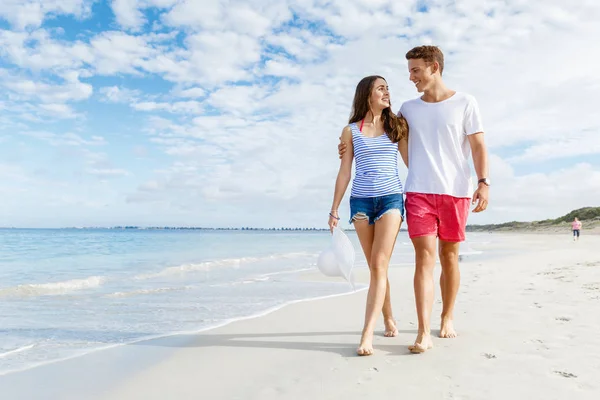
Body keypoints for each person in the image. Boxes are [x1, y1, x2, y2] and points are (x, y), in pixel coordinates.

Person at [339, 46, 490, 354]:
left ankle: (446, 316)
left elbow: (477, 146)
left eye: (415, 70)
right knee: (424, 257)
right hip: (418, 190)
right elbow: (376, 128)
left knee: (449, 257)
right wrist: (345, 145)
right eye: (408, 71)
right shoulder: (407, 108)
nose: (410, 77)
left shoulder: (466, 102)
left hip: (456, 191)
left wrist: (483, 182)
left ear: (434, 67)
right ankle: (423, 331)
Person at [328, 75, 409, 356]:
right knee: (377, 268)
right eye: (381, 88)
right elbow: (345, 171)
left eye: (388, 88)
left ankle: (366, 335)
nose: (387, 92)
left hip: (390, 199)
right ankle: (388, 316)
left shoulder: (397, 125)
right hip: (360, 202)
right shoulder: (350, 131)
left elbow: (411, 161)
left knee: (378, 263)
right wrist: (334, 208)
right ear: (367, 95)